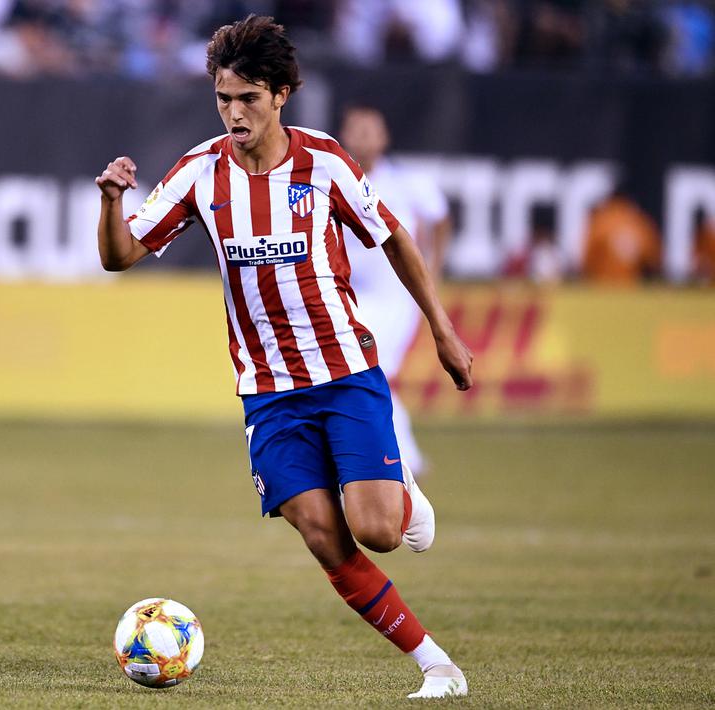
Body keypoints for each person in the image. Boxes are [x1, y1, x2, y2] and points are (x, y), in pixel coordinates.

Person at [94, 15, 472, 699]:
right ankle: (435, 665)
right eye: (221, 99)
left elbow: (392, 239)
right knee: (324, 537)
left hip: (345, 373)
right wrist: (112, 200)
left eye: (246, 99)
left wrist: (441, 330)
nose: (232, 113)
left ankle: (400, 493)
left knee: (378, 532)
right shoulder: (198, 172)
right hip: (267, 392)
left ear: (280, 95)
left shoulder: (323, 161)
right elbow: (119, 256)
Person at [339, 105, 451, 475]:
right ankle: (402, 457)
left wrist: (431, 271)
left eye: (371, 130)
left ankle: (403, 458)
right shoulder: (335, 179)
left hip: (394, 298)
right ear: (344, 135)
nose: (363, 137)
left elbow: (440, 220)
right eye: (356, 130)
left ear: (384, 138)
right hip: (348, 297)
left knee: (370, 369)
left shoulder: (407, 182)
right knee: (367, 373)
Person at [581, 184, 661, 285]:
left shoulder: (601, 220)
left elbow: (586, 258)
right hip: (632, 290)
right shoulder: (639, 222)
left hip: (601, 289)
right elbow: (654, 260)